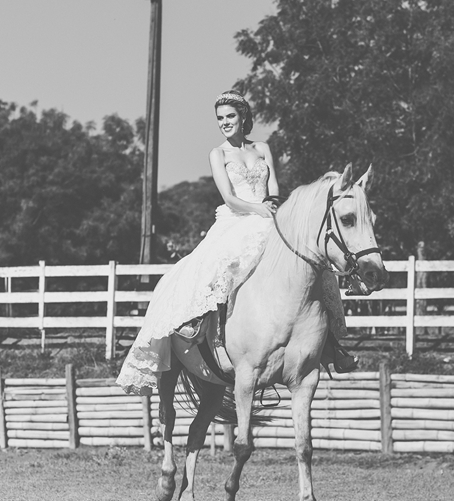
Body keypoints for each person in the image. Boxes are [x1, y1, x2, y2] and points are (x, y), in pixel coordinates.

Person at [116, 90, 355, 396]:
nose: (224, 123)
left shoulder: (263, 148)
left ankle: (331, 345)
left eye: (230, 116)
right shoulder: (218, 154)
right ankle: (200, 327)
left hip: (269, 215)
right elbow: (229, 196)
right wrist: (257, 209)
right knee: (219, 268)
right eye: (220, 118)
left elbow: (274, 188)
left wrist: (272, 208)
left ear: (243, 117)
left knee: (308, 261)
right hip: (236, 218)